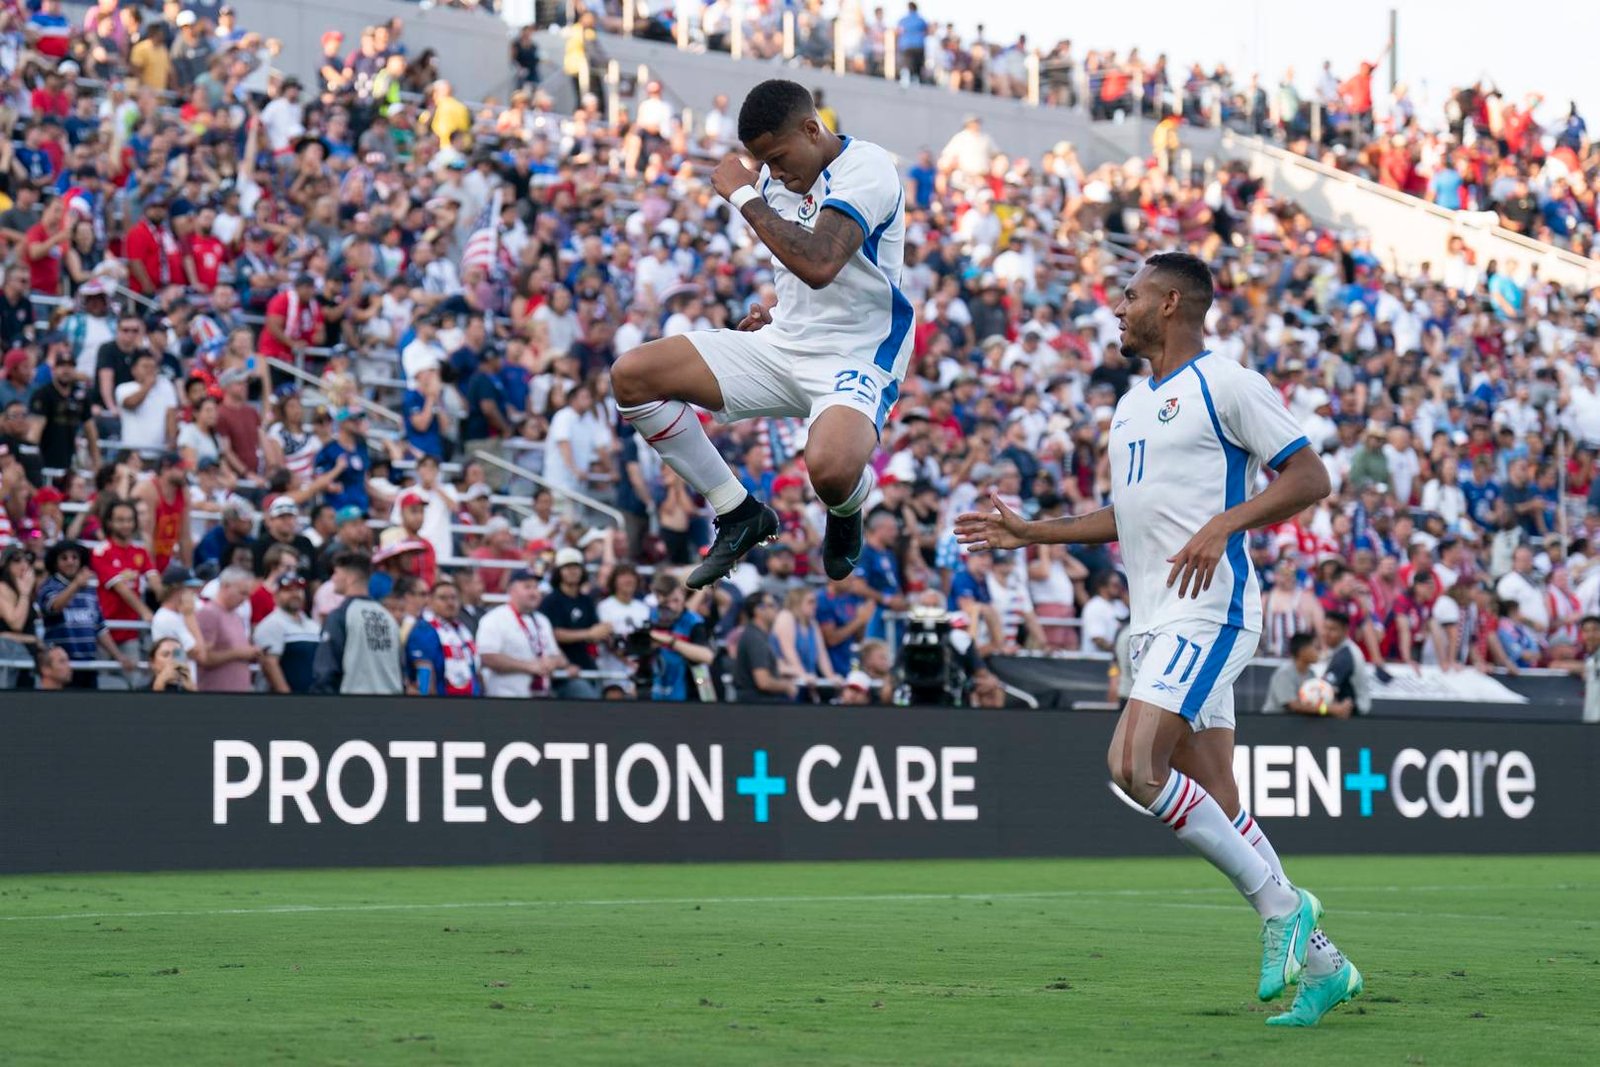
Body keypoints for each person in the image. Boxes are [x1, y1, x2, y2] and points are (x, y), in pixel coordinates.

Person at [955, 252, 1359, 1027]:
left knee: (1130, 764)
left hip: (1210, 610)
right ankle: (1326, 968)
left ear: (1171, 304)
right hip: (1155, 620)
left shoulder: (1227, 383)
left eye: (1131, 295)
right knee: (1219, 800)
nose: (1119, 306)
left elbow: (1310, 477)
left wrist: (1225, 521)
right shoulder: (1134, 405)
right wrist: (1033, 531)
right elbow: (1129, 514)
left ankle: (1284, 906)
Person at [612, 80, 912, 592]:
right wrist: (776, 311)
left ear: (812, 129)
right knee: (633, 376)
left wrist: (745, 194)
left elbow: (819, 262)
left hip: (858, 355)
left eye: (777, 157)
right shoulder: (777, 183)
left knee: (832, 470)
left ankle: (849, 502)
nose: (774, 172)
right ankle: (738, 511)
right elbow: (803, 274)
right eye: (763, 164)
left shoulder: (867, 167)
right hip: (783, 343)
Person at [313, 551, 404, 695]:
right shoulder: (387, 617)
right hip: (391, 704)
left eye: (336, 573)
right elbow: (400, 666)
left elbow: (327, 668)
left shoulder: (340, 616)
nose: (333, 578)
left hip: (354, 704)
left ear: (350, 578)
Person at [475, 569, 568, 698]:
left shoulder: (542, 620)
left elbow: (559, 656)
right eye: (527, 587)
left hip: (541, 697)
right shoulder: (494, 618)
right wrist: (528, 666)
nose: (534, 592)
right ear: (511, 590)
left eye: (536, 587)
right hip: (505, 698)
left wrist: (552, 662)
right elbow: (487, 657)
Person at [540, 547, 605, 700]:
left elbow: (594, 632)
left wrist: (603, 632)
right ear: (559, 572)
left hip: (586, 665)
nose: (573, 571)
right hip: (562, 670)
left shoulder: (586, 601)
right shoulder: (550, 601)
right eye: (567, 568)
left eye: (576, 567)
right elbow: (552, 634)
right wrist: (589, 633)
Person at [646, 572, 715, 701]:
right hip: (656, 688)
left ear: (683, 596)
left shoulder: (693, 621)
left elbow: (707, 656)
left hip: (688, 690)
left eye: (676, 600)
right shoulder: (652, 617)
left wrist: (670, 641)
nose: (672, 606)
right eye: (667, 602)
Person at [407, 579, 480, 697]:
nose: (450, 603)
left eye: (454, 598)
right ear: (430, 601)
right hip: (443, 704)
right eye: (443, 598)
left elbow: (475, 671)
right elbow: (425, 673)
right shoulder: (424, 630)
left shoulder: (463, 632)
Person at [192, 565, 259, 692]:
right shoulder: (209, 613)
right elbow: (203, 657)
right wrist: (238, 653)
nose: (245, 599)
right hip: (217, 693)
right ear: (225, 586)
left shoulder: (236, 615)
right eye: (242, 593)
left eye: (248, 594)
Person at [255, 574, 320, 694]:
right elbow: (270, 664)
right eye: (288, 590)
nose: (295, 594)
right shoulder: (272, 624)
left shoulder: (313, 626)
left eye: (299, 590)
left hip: (311, 697)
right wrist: (286, 697)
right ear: (276, 595)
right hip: (282, 702)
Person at [1262, 632, 1352, 717]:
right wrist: (1329, 709)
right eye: (1315, 648)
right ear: (1302, 651)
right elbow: (1295, 706)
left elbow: (1315, 702)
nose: (1318, 652)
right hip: (1274, 724)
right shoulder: (1284, 674)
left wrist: (1338, 705)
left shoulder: (1311, 673)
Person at [733, 592, 796, 702]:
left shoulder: (757, 635)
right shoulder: (755, 638)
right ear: (758, 610)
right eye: (771, 605)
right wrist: (787, 686)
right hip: (756, 706)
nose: (776, 609)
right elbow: (763, 682)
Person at [1320, 610, 1373, 716]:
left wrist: (1321, 709)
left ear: (1345, 631)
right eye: (1325, 628)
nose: (1326, 633)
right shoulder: (1342, 649)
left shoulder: (1344, 656)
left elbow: (1324, 691)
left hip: (1353, 715)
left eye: (1332, 629)